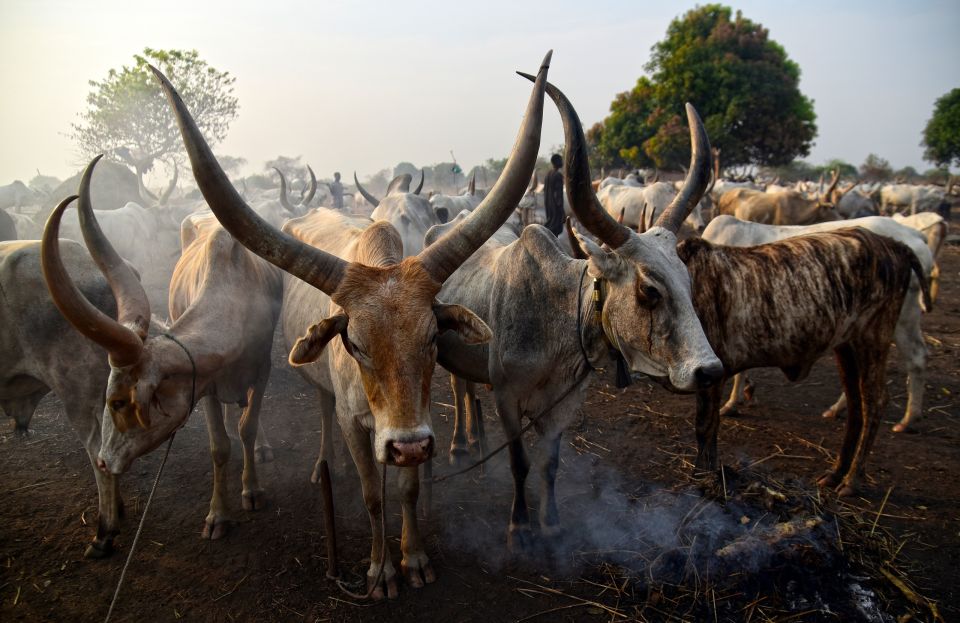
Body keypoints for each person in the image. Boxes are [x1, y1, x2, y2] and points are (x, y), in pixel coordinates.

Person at [543, 153, 565, 236]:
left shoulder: (548, 175)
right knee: (555, 231)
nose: (562, 162)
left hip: (549, 207)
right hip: (556, 208)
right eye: (561, 160)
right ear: (557, 162)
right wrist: (562, 212)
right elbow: (558, 195)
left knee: (550, 228)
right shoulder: (558, 175)